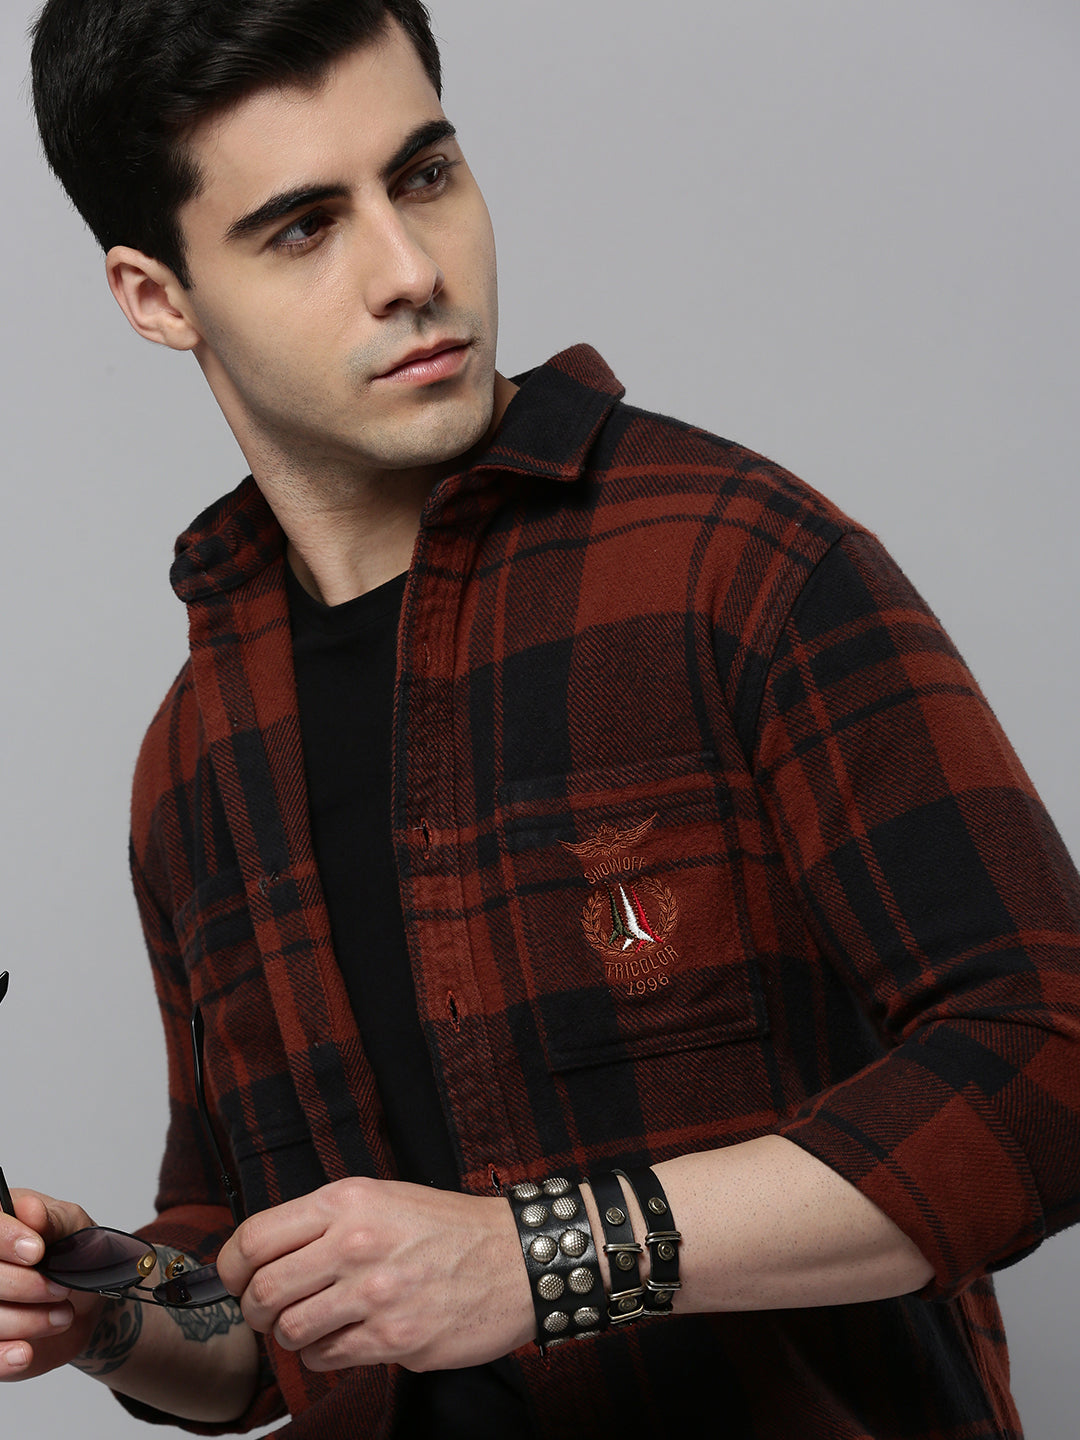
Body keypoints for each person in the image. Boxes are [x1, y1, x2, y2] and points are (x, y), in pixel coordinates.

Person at [4, 0, 1079, 1435]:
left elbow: (1046, 1060)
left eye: (425, 175)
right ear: (158, 297)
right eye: (305, 227)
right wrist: (106, 1307)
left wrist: (543, 1257)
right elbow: (265, 1315)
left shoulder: (735, 565)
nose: (411, 271)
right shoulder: (193, 763)